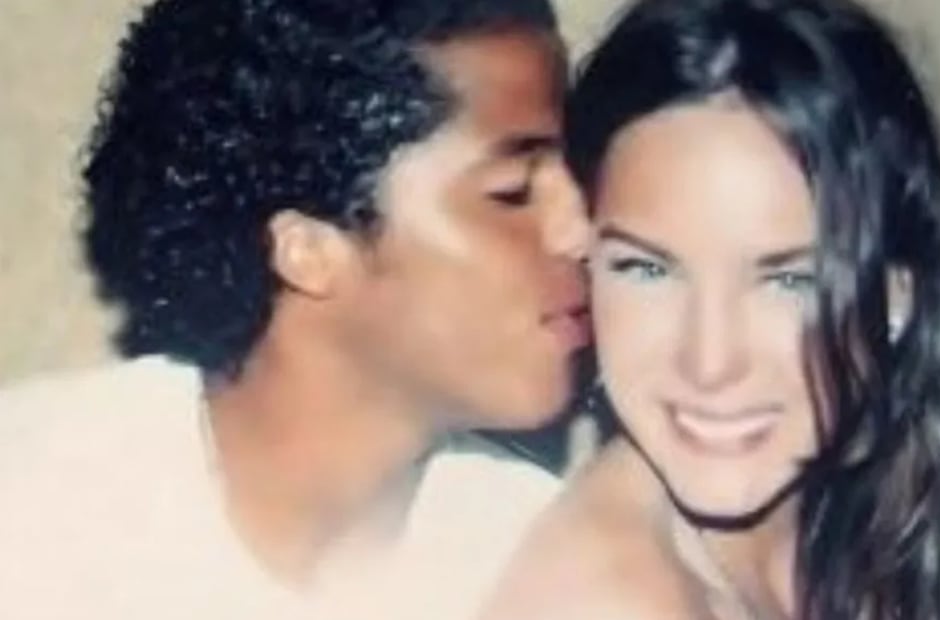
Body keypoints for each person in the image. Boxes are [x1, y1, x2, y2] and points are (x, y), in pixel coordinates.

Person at [0, 0, 591, 617]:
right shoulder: (35, 502)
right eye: (513, 192)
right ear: (306, 250)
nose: (582, 231)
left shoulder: (545, 565)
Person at [478, 0, 940, 618]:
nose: (711, 365)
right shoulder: (607, 603)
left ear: (897, 296)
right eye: (646, 269)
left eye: (788, 281)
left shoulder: (852, 527)